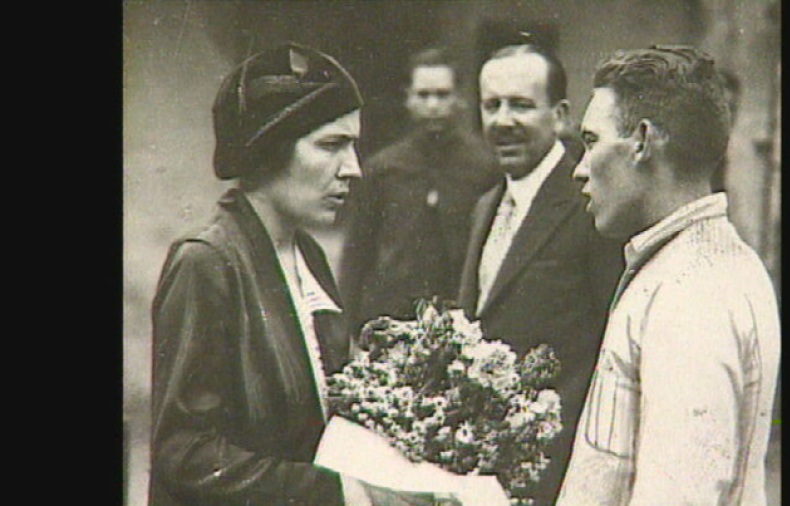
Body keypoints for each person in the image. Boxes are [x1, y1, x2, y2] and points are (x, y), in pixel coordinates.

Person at [150, 42, 462, 506]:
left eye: (353, 146)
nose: (353, 169)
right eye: (331, 145)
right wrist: (345, 494)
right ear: (270, 150)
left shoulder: (307, 255)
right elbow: (186, 453)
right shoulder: (207, 263)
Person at [557, 45, 781, 506]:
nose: (579, 169)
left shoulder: (691, 292)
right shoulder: (701, 264)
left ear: (642, 141)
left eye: (591, 141)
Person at [457, 44, 623, 506]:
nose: (503, 121)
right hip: (483, 472)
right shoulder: (484, 207)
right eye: (492, 105)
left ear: (561, 115)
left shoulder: (591, 207)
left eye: (521, 105)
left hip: (560, 471)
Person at [340, 48, 500, 332]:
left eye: (442, 95)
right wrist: (347, 325)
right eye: (423, 95)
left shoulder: (485, 166)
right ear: (409, 98)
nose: (433, 105)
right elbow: (358, 251)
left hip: (459, 317)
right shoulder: (383, 167)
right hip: (392, 314)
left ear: (459, 99)